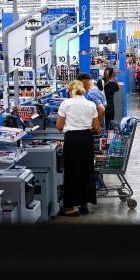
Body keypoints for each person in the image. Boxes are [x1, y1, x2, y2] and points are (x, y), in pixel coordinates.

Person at [56, 80, 101, 217]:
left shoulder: (66, 103)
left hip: (72, 140)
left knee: (72, 171)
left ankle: (74, 207)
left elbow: (59, 125)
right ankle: (84, 204)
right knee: (86, 170)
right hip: (87, 139)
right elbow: (97, 128)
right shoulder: (91, 104)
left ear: (70, 91)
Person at [102, 67, 119, 134]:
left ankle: (102, 141)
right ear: (112, 75)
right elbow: (118, 88)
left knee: (102, 125)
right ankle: (110, 142)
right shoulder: (113, 85)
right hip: (110, 107)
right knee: (110, 126)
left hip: (100, 107)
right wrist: (114, 78)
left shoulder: (100, 83)